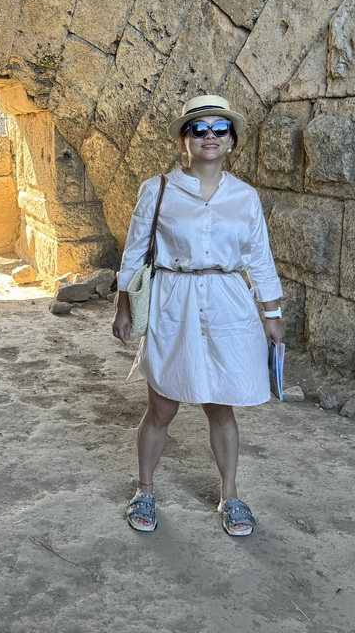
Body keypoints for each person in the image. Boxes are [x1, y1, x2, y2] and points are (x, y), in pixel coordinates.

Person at [111, 94, 284, 537]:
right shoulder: (158, 189)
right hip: (175, 301)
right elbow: (134, 253)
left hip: (229, 301)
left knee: (221, 408)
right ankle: (144, 489)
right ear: (183, 140)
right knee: (161, 407)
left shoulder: (245, 197)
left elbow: (260, 258)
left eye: (219, 129)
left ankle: (230, 495)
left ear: (232, 141)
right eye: (199, 129)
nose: (209, 136)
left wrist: (272, 312)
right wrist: (124, 304)